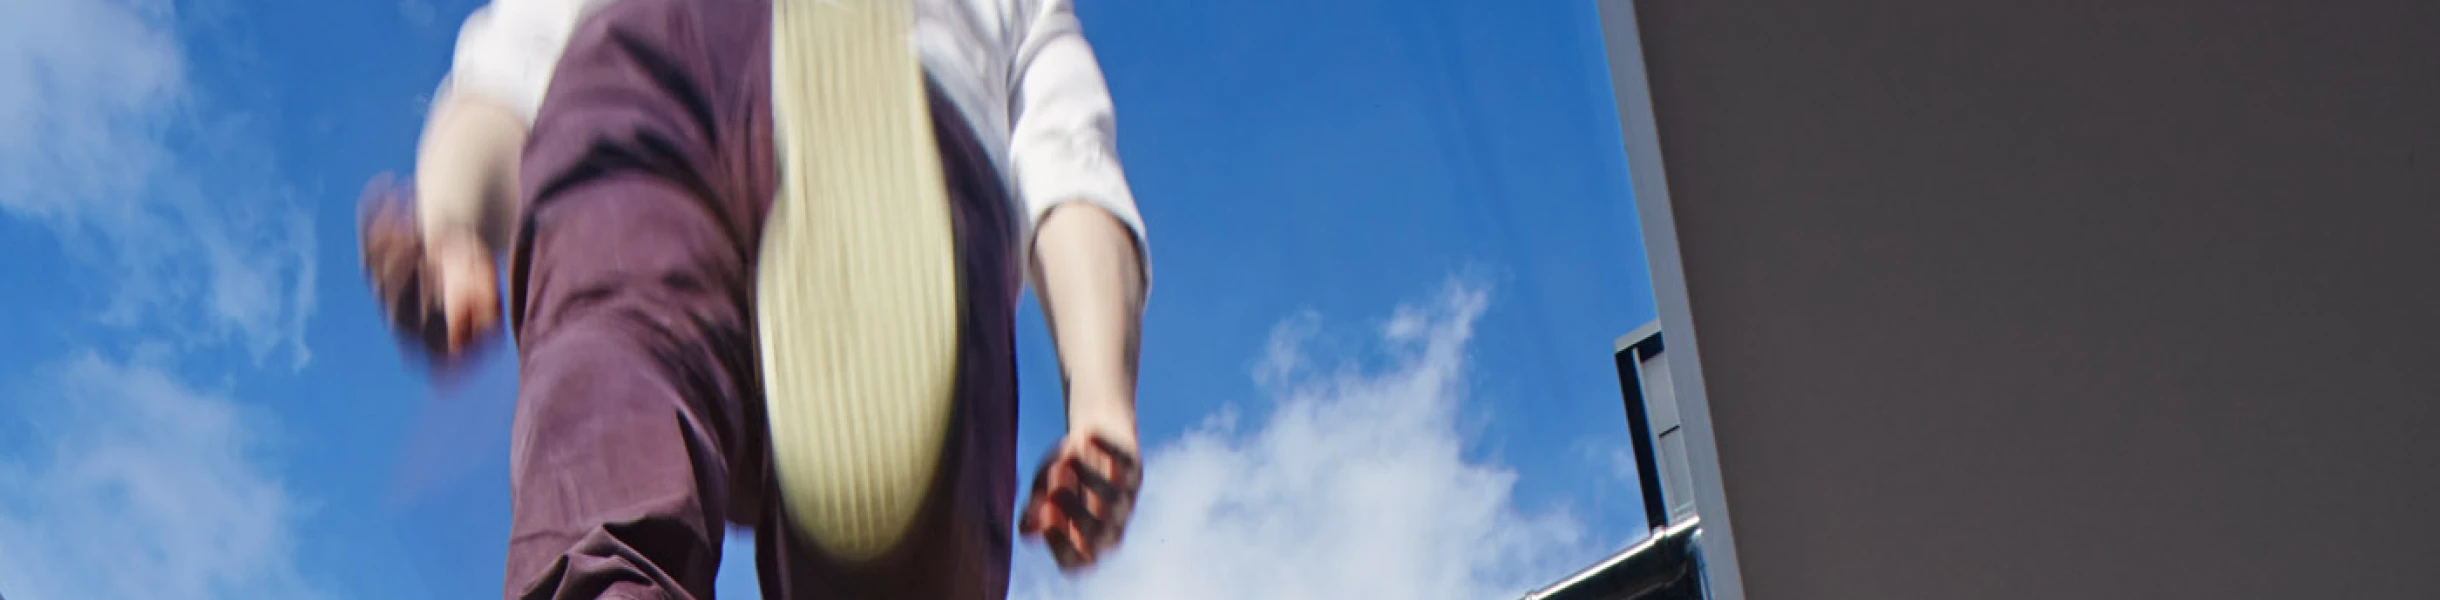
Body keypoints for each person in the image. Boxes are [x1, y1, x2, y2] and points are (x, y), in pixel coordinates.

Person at [356, 0, 1152, 597]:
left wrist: (451, 227)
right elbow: (1069, 164)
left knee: (606, 486)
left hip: (632, 93)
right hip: (923, 105)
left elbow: (506, 70)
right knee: (905, 563)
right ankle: (858, 120)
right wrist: (1101, 404)